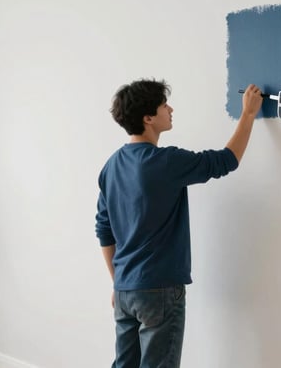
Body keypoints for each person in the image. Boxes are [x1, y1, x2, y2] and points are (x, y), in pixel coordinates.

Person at [96, 79, 263, 367]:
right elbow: (226, 160)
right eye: (164, 105)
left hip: (125, 291)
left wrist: (119, 282)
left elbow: (104, 230)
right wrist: (248, 114)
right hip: (159, 290)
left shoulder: (111, 166)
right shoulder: (165, 162)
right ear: (148, 118)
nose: (170, 109)